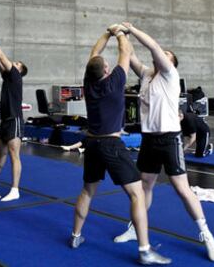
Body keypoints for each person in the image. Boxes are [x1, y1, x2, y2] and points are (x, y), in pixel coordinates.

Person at [113, 23, 214, 262]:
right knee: (144, 187)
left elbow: (152, 46)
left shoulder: (170, 75)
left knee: (182, 189)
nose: (163, 56)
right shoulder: (146, 76)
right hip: (149, 139)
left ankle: (206, 232)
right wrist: (119, 35)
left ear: (170, 63)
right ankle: (134, 228)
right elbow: (129, 55)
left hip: (170, 138)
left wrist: (131, 28)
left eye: (167, 55)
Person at [70, 26, 171, 265]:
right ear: (106, 69)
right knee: (137, 194)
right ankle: (145, 250)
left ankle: (75, 236)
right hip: (110, 144)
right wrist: (120, 32)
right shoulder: (114, 81)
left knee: (87, 191)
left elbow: (95, 52)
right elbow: (125, 52)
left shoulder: (88, 81)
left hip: (91, 144)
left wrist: (105, 34)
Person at [0, 38, 28, 202]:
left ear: (19, 70)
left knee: (13, 154)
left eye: (17, 63)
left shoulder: (16, 76)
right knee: (0, 152)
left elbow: (2, 57)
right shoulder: (8, 77)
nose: (13, 64)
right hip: (5, 121)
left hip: (14, 120)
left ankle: (15, 189)